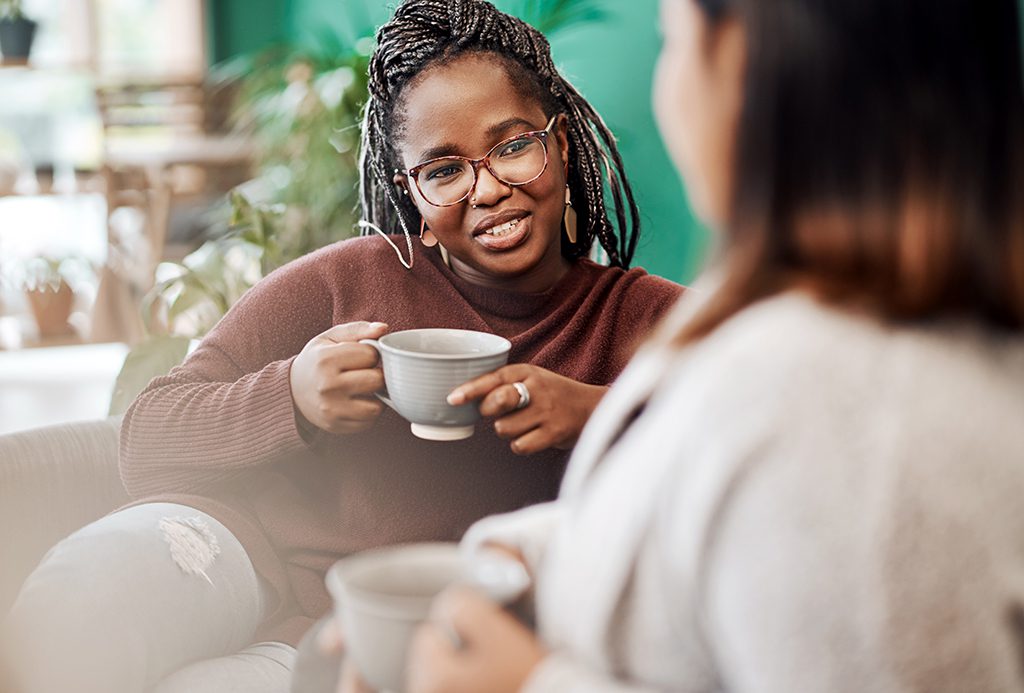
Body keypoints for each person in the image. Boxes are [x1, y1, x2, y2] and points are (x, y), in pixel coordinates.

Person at [0, 1, 683, 692]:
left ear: (560, 143)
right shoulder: (343, 280)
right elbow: (144, 439)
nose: (488, 188)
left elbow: (759, 474)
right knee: (74, 615)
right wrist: (291, 394)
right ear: (408, 189)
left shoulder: (652, 321)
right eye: (444, 170)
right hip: (250, 557)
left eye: (512, 146)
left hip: (413, 646)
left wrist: (602, 412)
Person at [403, 0, 1024, 691]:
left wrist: (530, 683)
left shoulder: (842, 415)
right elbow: (713, 534)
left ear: (739, 59)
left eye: (672, 38)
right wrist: (519, 564)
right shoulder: (822, 338)